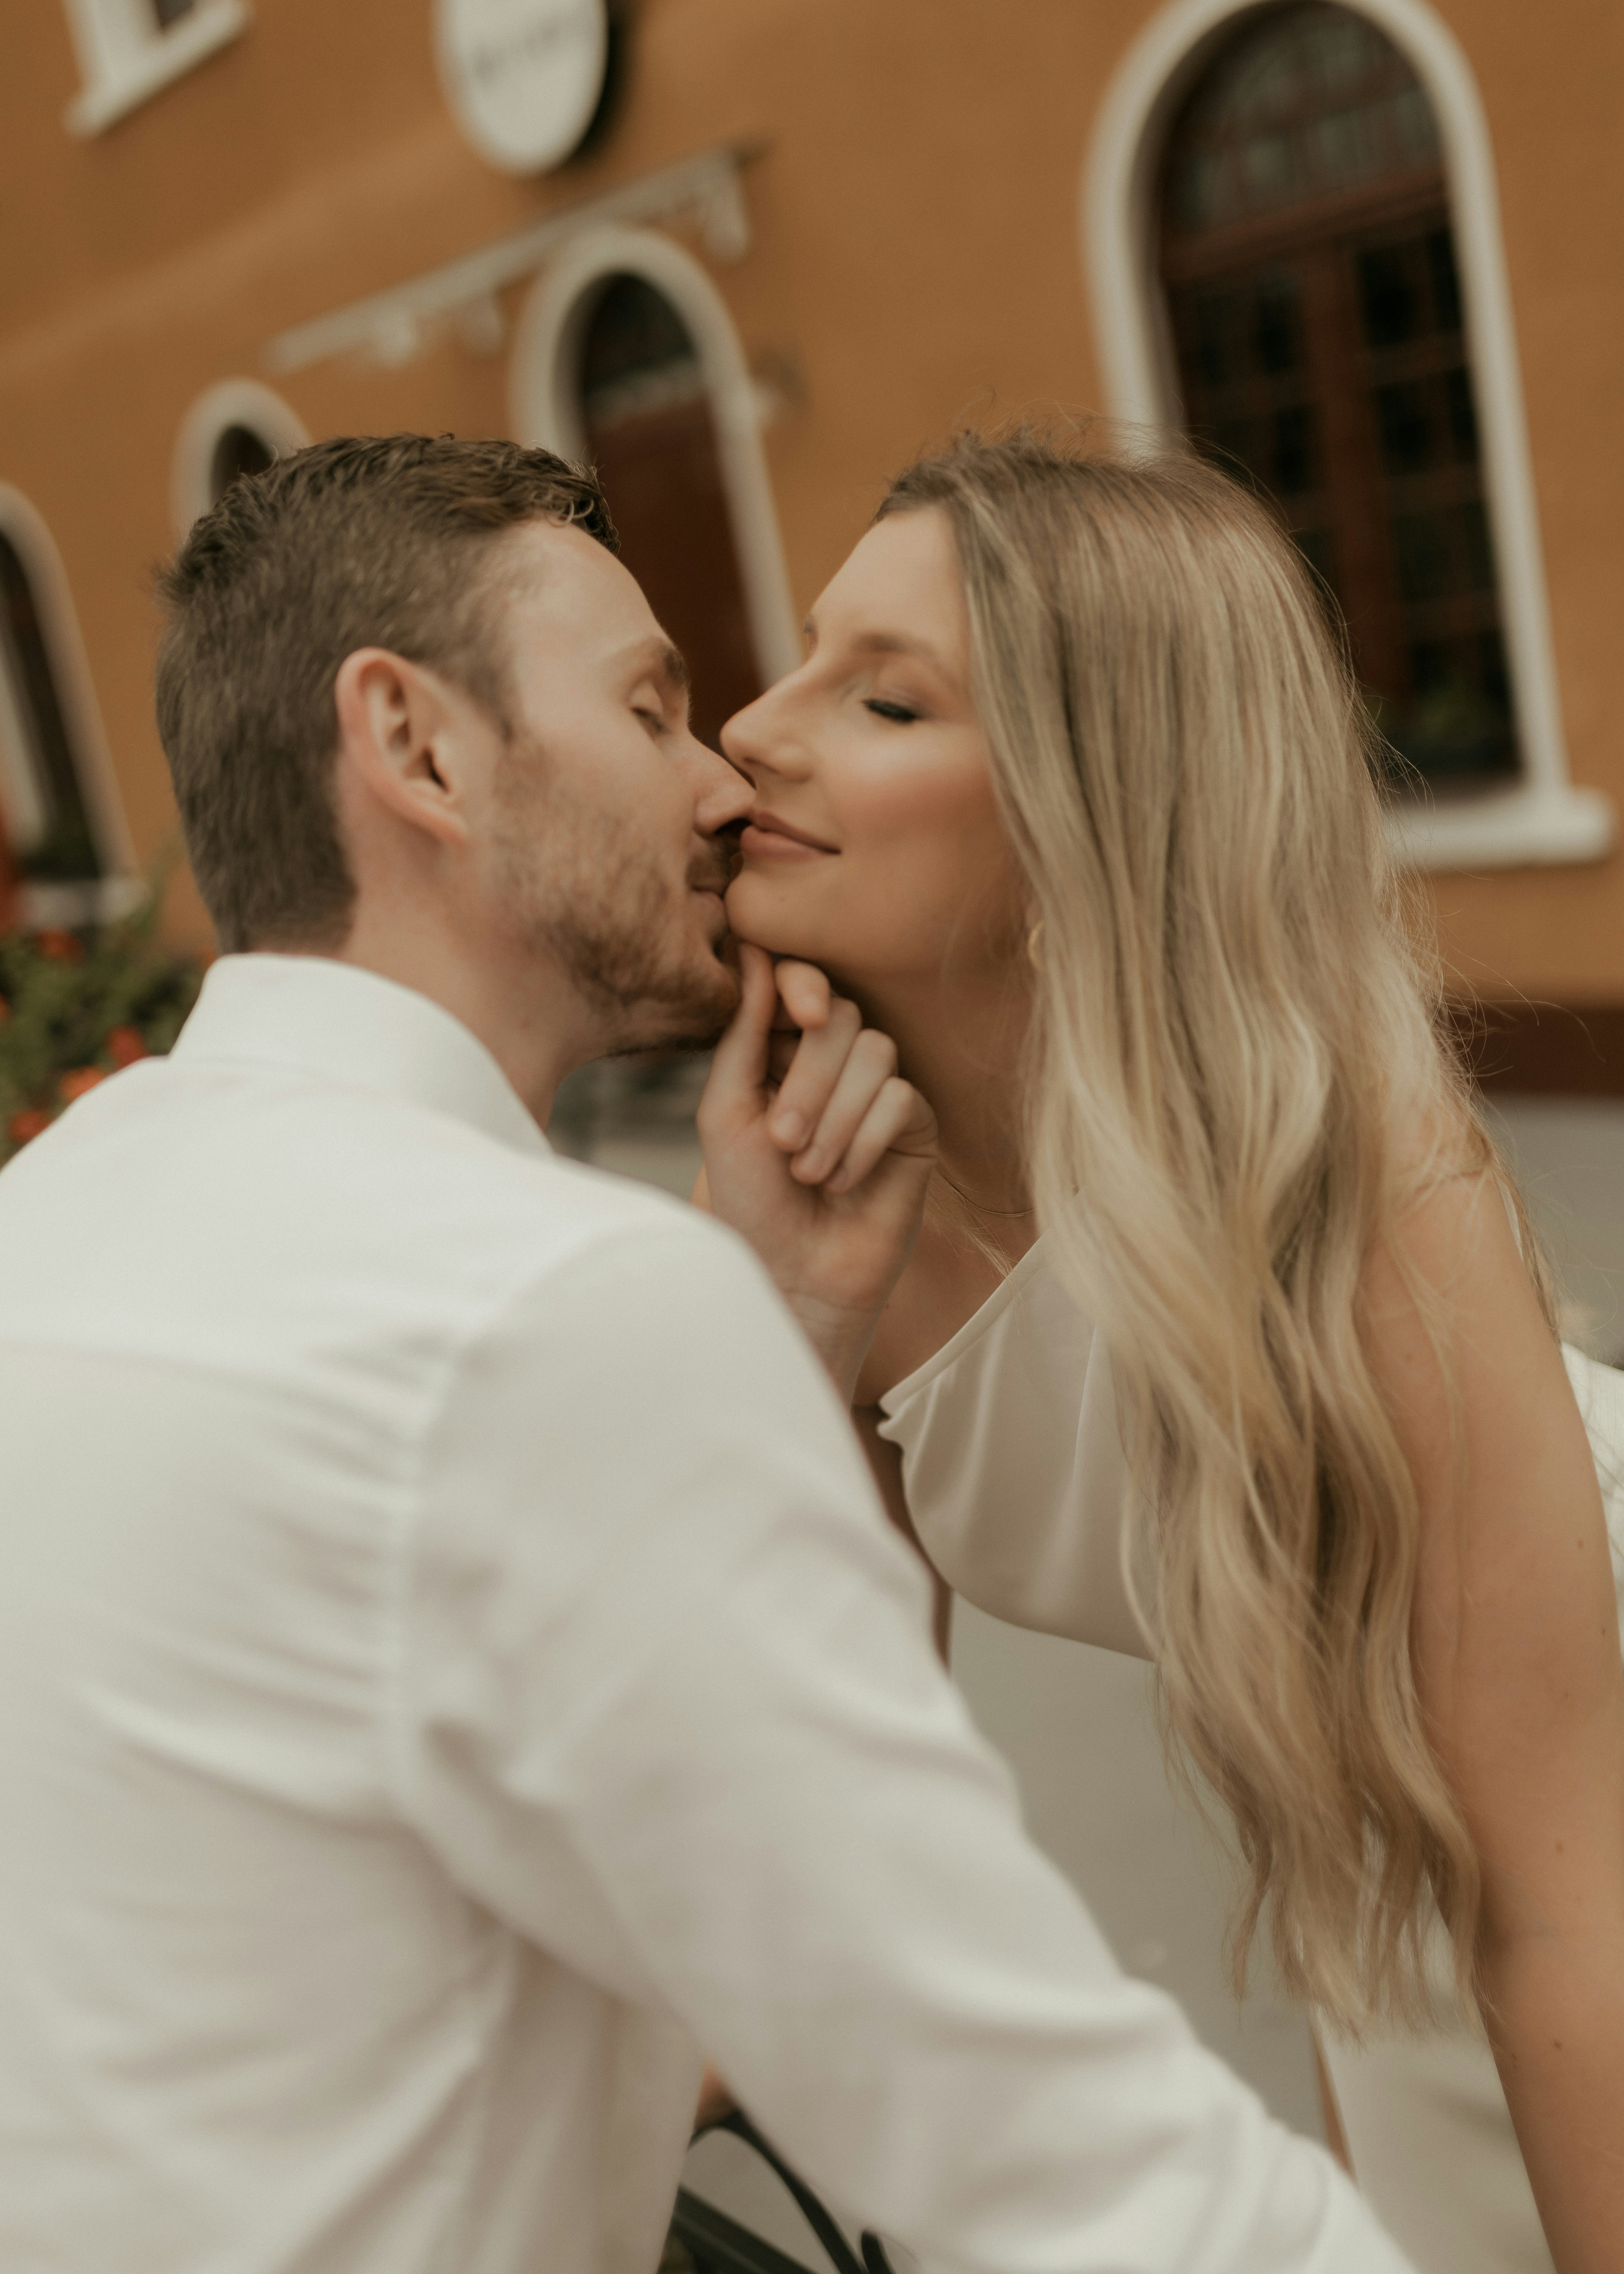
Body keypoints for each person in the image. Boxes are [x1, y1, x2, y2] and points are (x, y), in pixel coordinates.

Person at [0, 435, 1411, 2274]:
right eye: (651, 708)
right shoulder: (540, 1313)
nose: (722, 769)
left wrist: (784, 1335)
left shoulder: (58, 1209)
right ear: (416, 746)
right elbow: (1043, 2144)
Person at [714, 429, 1624, 2274]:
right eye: (801, 655)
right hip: (1382, 1840)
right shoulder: (830, 1200)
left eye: (881, 702)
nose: (752, 725)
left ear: (1087, 808)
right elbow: (841, 1747)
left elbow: (1562, 1886)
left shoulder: (1353, 1177)